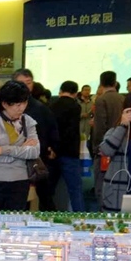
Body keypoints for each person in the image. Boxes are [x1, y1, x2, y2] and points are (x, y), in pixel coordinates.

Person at [0, 81, 40, 211]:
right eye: (17, 104)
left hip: (20, 181)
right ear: (5, 104)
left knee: (16, 220)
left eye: (24, 103)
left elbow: (34, 152)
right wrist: (22, 149)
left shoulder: (28, 121)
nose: (22, 108)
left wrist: (2, 150)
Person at [13, 69, 60, 211]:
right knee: (18, 200)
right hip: (14, 161)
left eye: (29, 82)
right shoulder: (6, 107)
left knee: (44, 197)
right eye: (21, 83)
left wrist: (51, 148)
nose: (26, 86)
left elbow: (52, 131)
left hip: (37, 161)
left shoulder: (40, 108)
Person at [101, 91, 131, 212]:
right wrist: (123, 126)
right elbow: (106, 150)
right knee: (117, 222)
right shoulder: (116, 131)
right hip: (118, 189)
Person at [50, 81, 85, 212]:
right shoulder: (76, 107)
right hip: (70, 152)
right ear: (75, 93)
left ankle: (47, 216)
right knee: (75, 189)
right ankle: (79, 217)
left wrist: (53, 148)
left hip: (53, 153)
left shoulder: (52, 105)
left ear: (60, 91)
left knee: (49, 189)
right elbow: (70, 132)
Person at [93, 71, 124, 210]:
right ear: (115, 82)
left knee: (102, 185)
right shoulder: (123, 98)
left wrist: (97, 148)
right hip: (122, 145)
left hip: (106, 148)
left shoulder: (101, 100)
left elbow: (100, 127)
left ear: (101, 83)